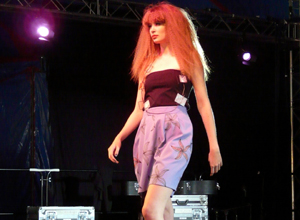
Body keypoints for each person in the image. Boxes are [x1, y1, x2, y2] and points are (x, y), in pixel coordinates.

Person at [108, 2, 223, 220]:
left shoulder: (189, 59)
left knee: (150, 210)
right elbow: (138, 109)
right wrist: (119, 137)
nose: (152, 29)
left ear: (173, 26)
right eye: (149, 25)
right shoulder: (147, 65)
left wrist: (214, 146)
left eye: (158, 23)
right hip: (147, 133)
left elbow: (203, 103)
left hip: (175, 132)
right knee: (163, 209)